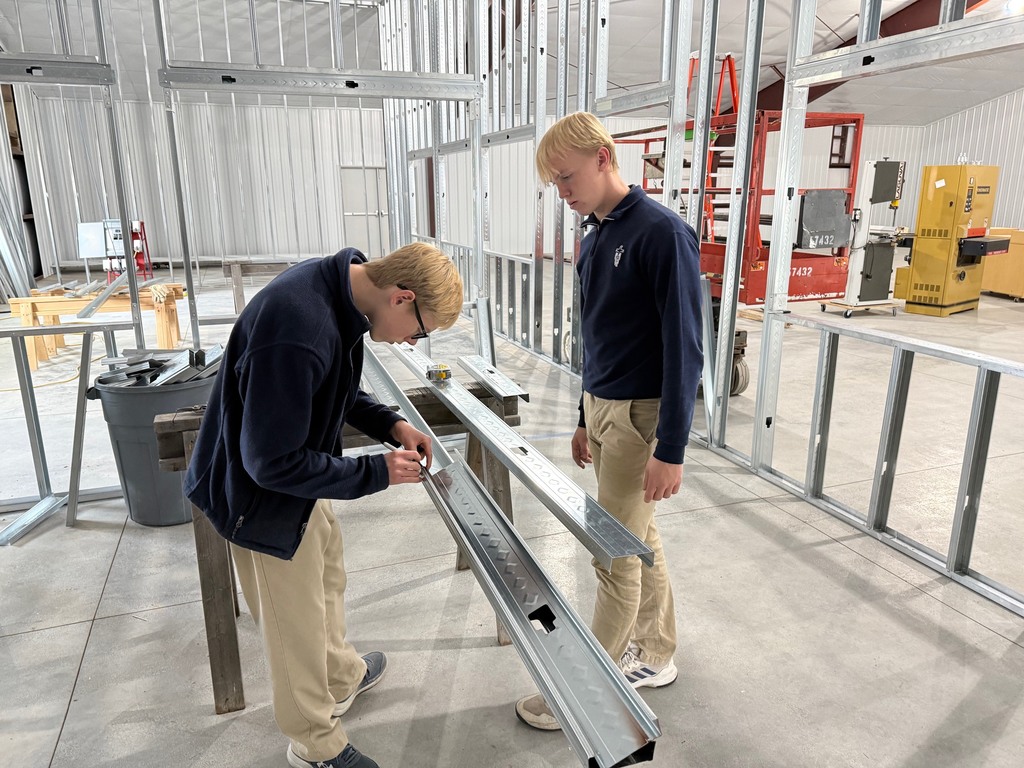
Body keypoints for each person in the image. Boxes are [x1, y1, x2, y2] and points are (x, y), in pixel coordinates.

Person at [184, 243, 464, 768]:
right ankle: (314, 743)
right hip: (260, 500)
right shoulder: (299, 325)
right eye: (420, 331)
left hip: (300, 483)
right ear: (402, 298)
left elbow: (338, 386)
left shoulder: (343, 294)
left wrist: (390, 423)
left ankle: (341, 675)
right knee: (295, 626)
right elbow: (269, 463)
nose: (413, 341)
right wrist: (376, 472)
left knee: (328, 578)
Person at [515, 112, 703, 730]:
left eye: (567, 177)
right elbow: (598, 336)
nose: (563, 193)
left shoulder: (660, 233)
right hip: (603, 409)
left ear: (603, 157)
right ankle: (655, 652)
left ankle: (587, 690)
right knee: (638, 537)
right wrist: (581, 412)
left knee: (612, 553)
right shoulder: (595, 234)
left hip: (639, 417)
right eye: (555, 184)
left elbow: (685, 346)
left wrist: (670, 446)